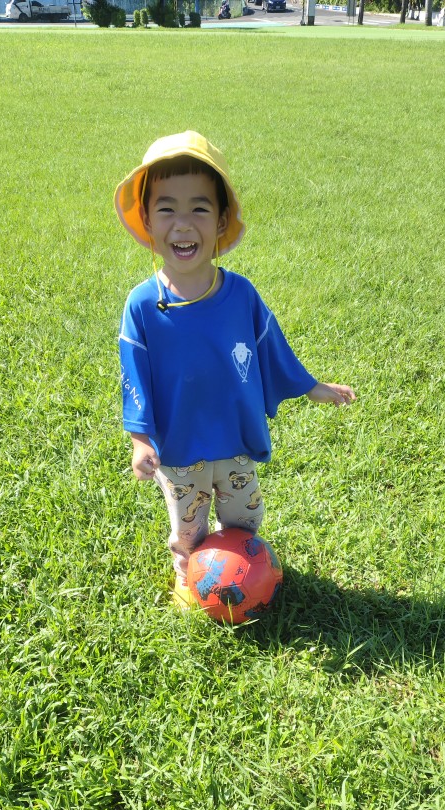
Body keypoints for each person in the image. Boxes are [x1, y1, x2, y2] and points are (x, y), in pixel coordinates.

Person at [114, 131, 355, 607]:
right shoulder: (142, 305)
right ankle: (190, 576)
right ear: (147, 219)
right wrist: (141, 439)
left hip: (234, 438)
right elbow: (133, 377)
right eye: (167, 209)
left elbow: (270, 348)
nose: (183, 225)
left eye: (199, 208)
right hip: (180, 446)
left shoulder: (240, 294)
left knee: (245, 516)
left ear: (222, 219)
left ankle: (246, 573)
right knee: (188, 525)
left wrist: (311, 386)